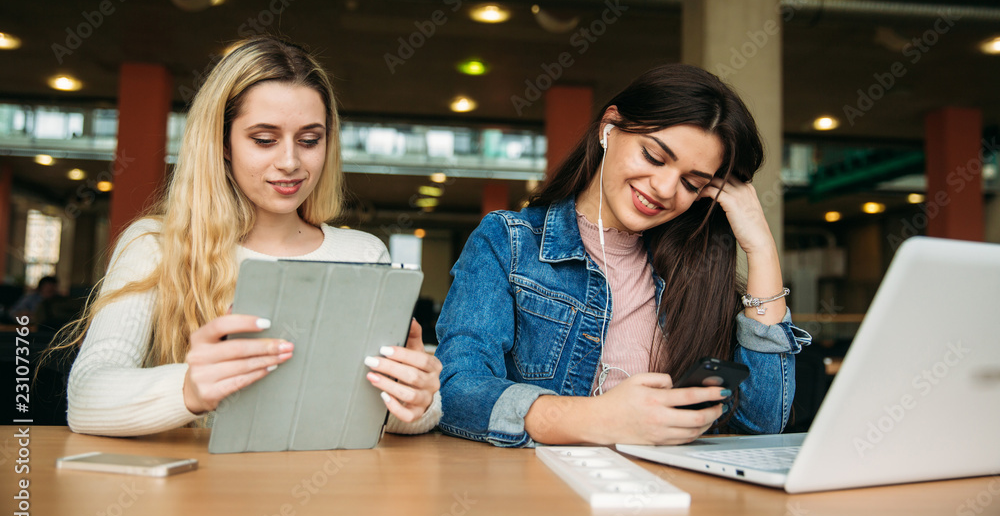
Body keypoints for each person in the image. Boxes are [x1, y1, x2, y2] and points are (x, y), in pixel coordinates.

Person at [58, 36, 442, 437]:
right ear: (223, 143)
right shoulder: (154, 245)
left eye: (310, 140)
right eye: (264, 140)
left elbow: (388, 417)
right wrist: (189, 388)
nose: (291, 162)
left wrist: (418, 397)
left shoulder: (363, 253)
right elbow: (87, 397)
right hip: (198, 495)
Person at [434, 64, 811, 447]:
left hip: (673, 494)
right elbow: (456, 391)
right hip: (547, 494)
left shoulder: (695, 271)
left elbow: (761, 424)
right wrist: (599, 418)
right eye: (654, 156)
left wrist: (761, 249)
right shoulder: (510, 243)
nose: (665, 189)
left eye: (690, 183)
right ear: (609, 128)